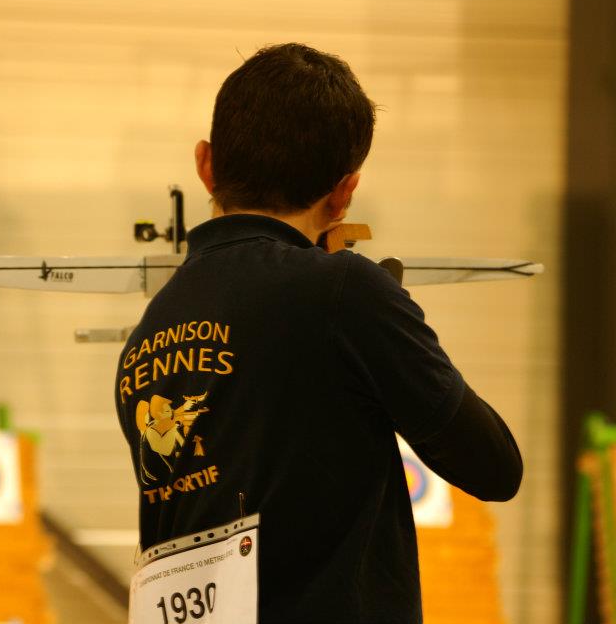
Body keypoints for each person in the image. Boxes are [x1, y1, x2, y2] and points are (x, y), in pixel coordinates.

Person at [113, 43, 522, 624]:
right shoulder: (344, 294)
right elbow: (496, 466)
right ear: (344, 192)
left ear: (206, 163)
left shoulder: (149, 333)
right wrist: (384, 322)